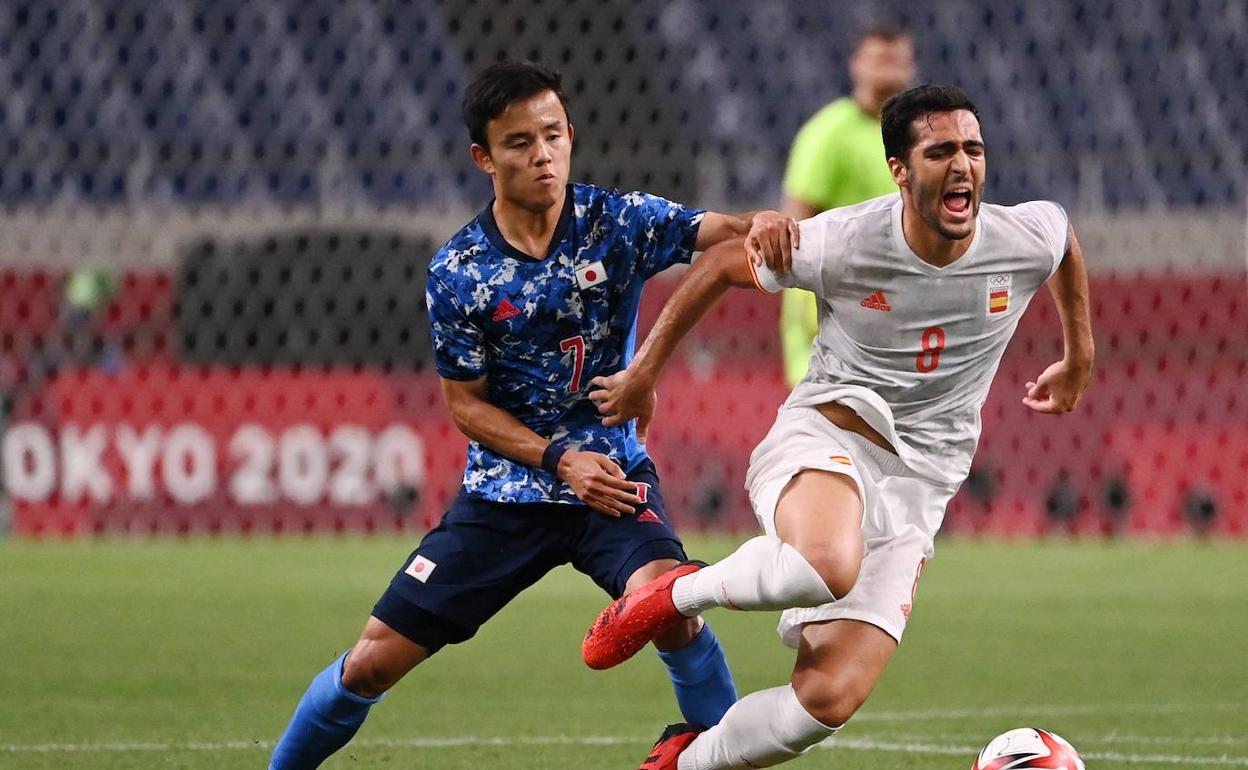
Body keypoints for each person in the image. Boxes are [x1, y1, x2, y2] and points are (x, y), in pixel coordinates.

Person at [269, 60, 779, 768]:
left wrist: (772, 225)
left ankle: (729, 758)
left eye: (552, 135)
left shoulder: (616, 221)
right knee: (371, 664)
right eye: (518, 143)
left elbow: (725, 231)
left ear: (571, 133)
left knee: (669, 610)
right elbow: (464, 405)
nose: (542, 155)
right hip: (505, 497)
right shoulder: (460, 270)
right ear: (484, 157)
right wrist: (556, 458)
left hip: (612, 478)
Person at [582, 84, 1094, 769]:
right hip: (829, 434)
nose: (964, 165)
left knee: (827, 699)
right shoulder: (845, 240)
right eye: (941, 151)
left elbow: (1060, 237)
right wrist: (645, 372)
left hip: (921, 483)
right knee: (826, 564)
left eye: (973, 149)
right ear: (900, 171)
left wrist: (1079, 354)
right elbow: (719, 267)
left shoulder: (1015, 237)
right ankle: (670, 596)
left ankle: (682, 763)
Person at [780, 23, 915, 386]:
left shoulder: (915, 138)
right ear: (857, 65)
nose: (888, 69)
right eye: (879, 59)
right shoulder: (828, 133)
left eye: (897, 60)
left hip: (893, 310)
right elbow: (793, 225)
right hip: (830, 312)